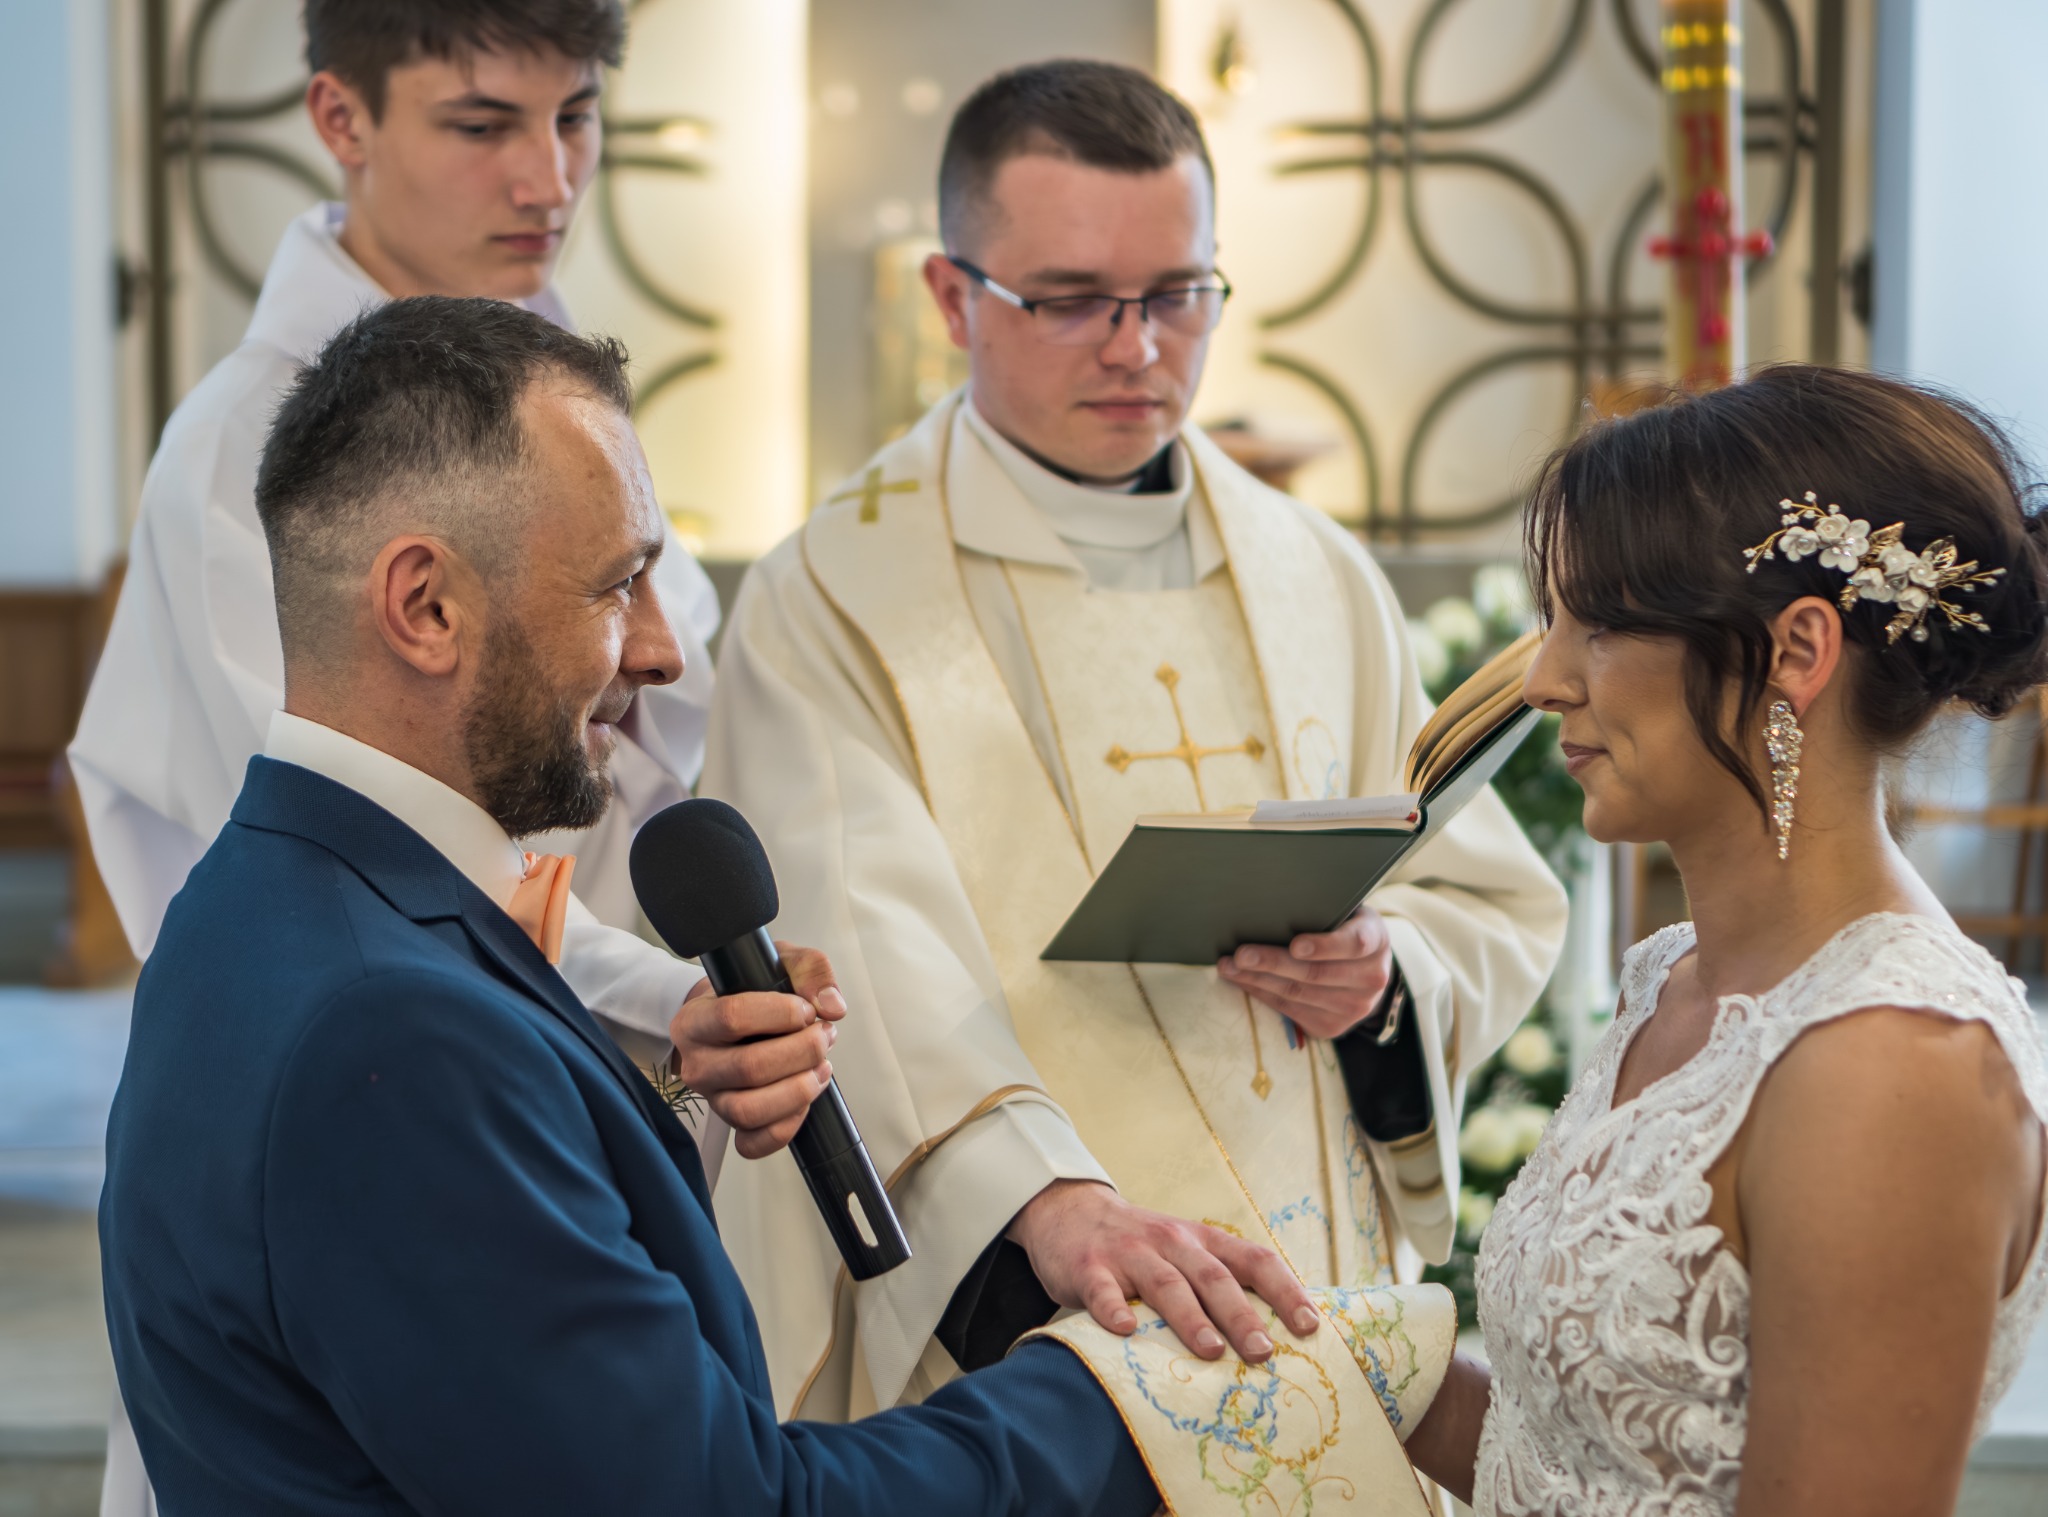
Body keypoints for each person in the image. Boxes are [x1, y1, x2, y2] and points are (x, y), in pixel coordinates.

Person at [98, 295, 1163, 1517]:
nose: (659, 652)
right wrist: (1107, 1398)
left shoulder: (260, 896)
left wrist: (653, 1089)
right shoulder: (390, 1035)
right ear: (426, 607)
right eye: (619, 584)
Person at [702, 58, 1568, 1420]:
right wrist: (1053, 1202)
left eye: (1179, 296)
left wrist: (1384, 982)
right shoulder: (836, 600)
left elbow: (1474, 894)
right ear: (952, 297)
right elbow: (862, 963)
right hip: (1042, 1319)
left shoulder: (1316, 572)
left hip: (1313, 1299)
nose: (1137, 348)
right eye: (1069, 301)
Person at [1402, 364, 2048, 1516]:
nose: (1543, 681)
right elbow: (1580, 1455)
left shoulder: (1892, 1065)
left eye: (1594, 626)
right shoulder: (1675, 977)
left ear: (1794, 654)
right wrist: (1331, 1351)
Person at [71, 0, 714, 1051]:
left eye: (575, 118)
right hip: (385, 1051)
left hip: (597, 1041)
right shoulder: (251, 448)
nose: (547, 181)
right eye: (481, 125)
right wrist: (671, 996)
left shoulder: (560, 394)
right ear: (340, 118)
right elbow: (358, 840)